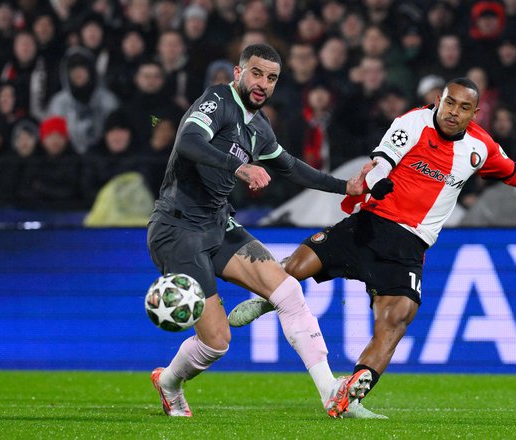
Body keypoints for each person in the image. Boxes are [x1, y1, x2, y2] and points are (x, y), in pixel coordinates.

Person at [228, 77, 516, 419]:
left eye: (463, 108)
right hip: (371, 224)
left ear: (475, 113)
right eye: (449, 103)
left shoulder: (480, 147)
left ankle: (352, 393)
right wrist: (378, 183)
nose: (453, 113)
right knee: (296, 265)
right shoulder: (413, 122)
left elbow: (514, 172)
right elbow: (381, 161)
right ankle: (268, 298)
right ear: (438, 101)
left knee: (396, 320)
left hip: (409, 244)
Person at [147, 43, 371, 419]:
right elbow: (187, 141)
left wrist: (345, 187)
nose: (262, 83)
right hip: (177, 227)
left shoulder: (260, 130)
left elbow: (292, 167)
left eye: (271, 78)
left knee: (287, 291)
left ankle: (332, 392)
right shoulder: (218, 99)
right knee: (217, 342)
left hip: (218, 224)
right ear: (238, 73)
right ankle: (169, 382)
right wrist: (240, 168)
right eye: (256, 73)